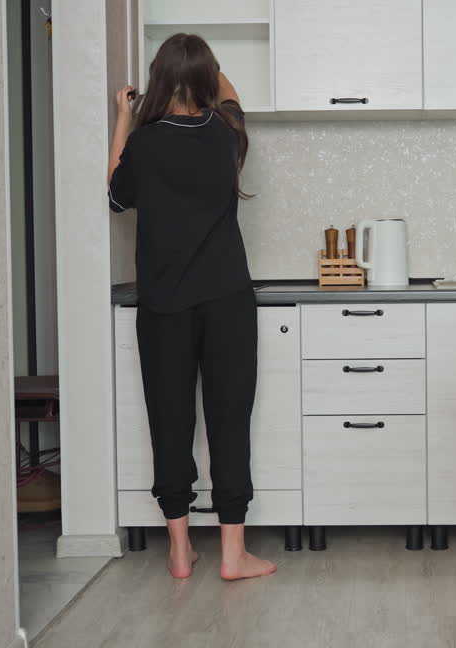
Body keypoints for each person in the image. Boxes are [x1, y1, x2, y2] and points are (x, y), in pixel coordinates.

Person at [108, 33, 275, 581]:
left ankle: (180, 553)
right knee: (229, 421)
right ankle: (233, 555)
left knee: (170, 422)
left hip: (163, 307)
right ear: (207, 79)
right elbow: (229, 93)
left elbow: (115, 194)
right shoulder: (226, 131)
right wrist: (214, 79)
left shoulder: (146, 143)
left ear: (159, 81)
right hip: (227, 300)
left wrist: (125, 115)